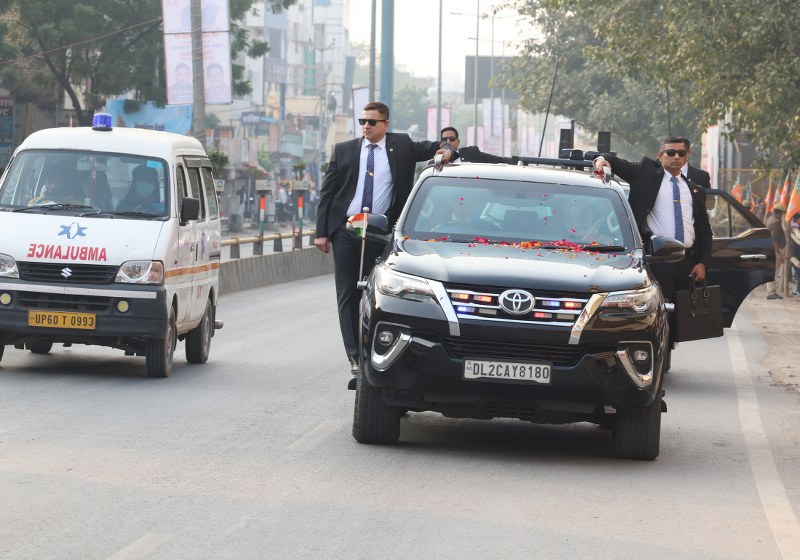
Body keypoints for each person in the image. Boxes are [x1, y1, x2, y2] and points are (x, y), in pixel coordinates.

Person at [315, 101, 456, 375]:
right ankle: (355, 357)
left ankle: (376, 348)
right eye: (363, 122)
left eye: (372, 122)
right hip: (346, 229)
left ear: (385, 124)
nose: (366, 126)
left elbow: (440, 144)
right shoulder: (344, 150)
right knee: (347, 294)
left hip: (381, 232)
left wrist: (448, 151)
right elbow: (327, 192)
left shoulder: (401, 145)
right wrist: (321, 232)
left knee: (376, 292)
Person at [594, 136, 713, 344]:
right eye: (670, 153)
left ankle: (666, 351)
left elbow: (705, 231)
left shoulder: (694, 189)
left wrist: (702, 262)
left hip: (687, 261)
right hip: (659, 258)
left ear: (687, 157)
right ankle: (657, 353)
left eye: (681, 153)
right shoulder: (646, 174)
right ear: (660, 156)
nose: (676, 157)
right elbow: (612, 159)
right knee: (660, 315)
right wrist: (601, 160)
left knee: (681, 321)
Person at [440, 127, 517, 164]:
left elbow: (499, 160)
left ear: (458, 142)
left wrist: (519, 161)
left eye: (452, 139)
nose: (448, 142)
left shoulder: (471, 153)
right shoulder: (436, 158)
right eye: (444, 139)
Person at [765, 203, 786, 300]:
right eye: (782, 214)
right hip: (775, 249)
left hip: (770, 248)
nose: (782, 216)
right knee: (774, 272)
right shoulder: (776, 222)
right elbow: (775, 240)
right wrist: (778, 253)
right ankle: (771, 292)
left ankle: (772, 291)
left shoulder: (769, 219)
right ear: (780, 213)